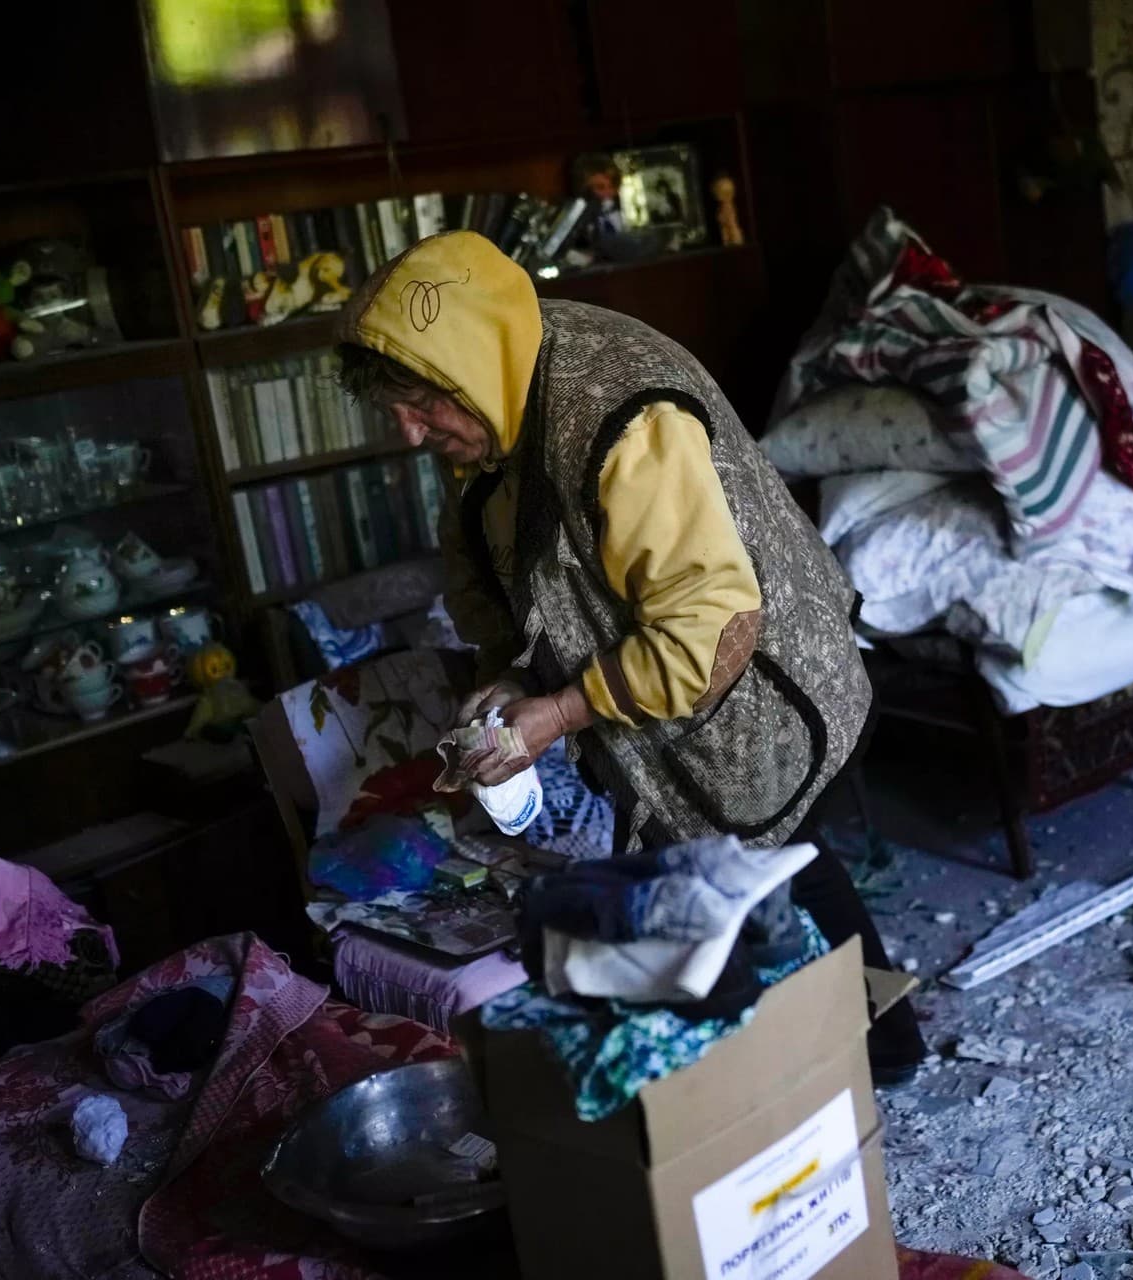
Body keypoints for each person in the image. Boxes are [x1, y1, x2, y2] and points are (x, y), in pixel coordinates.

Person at [334, 230, 925, 1080]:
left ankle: (882, 1057)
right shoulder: (491, 395)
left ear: (464, 368)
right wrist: (505, 674)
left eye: (418, 404)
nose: (408, 432)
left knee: (774, 870)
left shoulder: (621, 416)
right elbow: (496, 564)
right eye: (395, 407)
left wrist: (559, 711)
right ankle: (796, 1058)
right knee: (722, 881)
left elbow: (705, 635)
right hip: (663, 702)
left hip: (763, 684)